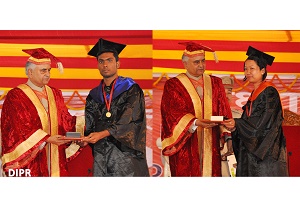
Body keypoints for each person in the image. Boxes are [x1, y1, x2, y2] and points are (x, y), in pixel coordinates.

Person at [0, 48, 85, 177]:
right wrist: (48, 139)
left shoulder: (55, 93)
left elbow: (65, 120)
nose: (47, 74)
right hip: (32, 160)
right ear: (30, 72)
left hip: (55, 157)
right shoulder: (16, 96)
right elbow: (19, 128)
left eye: (49, 70)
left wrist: (85, 126)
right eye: (43, 70)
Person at [160, 41, 232, 177]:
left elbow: (224, 110)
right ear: (185, 64)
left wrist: (227, 135)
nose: (201, 65)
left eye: (203, 61)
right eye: (196, 62)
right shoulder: (174, 85)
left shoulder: (216, 83)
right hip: (186, 144)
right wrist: (195, 122)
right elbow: (171, 114)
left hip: (212, 143)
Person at [81, 38, 149, 177]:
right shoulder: (94, 94)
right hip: (101, 157)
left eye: (109, 60)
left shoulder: (130, 89)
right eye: (101, 61)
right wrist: (85, 139)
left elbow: (130, 120)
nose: (105, 65)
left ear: (118, 63)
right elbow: (90, 125)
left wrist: (102, 134)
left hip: (126, 157)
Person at [222, 46, 289, 176]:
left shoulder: (269, 92)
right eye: (245, 69)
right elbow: (248, 121)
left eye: (252, 68)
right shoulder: (255, 93)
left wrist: (238, 124)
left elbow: (263, 124)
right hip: (254, 149)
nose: (247, 72)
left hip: (266, 152)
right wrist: (235, 127)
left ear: (262, 70)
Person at [220, 76, 242, 177]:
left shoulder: (239, 116)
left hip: (236, 161)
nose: (226, 96)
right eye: (222, 92)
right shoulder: (208, 117)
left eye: (229, 92)